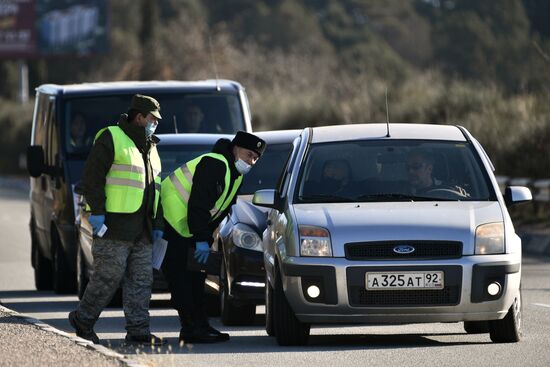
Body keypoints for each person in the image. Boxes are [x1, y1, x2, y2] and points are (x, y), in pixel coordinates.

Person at [68, 94, 166, 346]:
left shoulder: (151, 146)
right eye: (152, 119)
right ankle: (83, 319)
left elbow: (156, 189)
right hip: (113, 227)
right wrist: (97, 212)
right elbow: (93, 178)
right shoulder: (111, 137)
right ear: (139, 117)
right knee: (107, 277)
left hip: (142, 229)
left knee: (142, 281)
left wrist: (157, 224)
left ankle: (138, 331)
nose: (155, 123)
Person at [160, 130, 266, 343]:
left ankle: (200, 326)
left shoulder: (235, 175)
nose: (251, 162)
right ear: (235, 148)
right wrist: (201, 238)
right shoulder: (215, 164)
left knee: (196, 280)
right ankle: (191, 329)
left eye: (255, 158)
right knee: (181, 282)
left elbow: (220, 210)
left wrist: (206, 239)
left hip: (188, 229)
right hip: (169, 225)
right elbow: (199, 204)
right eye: (248, 155)